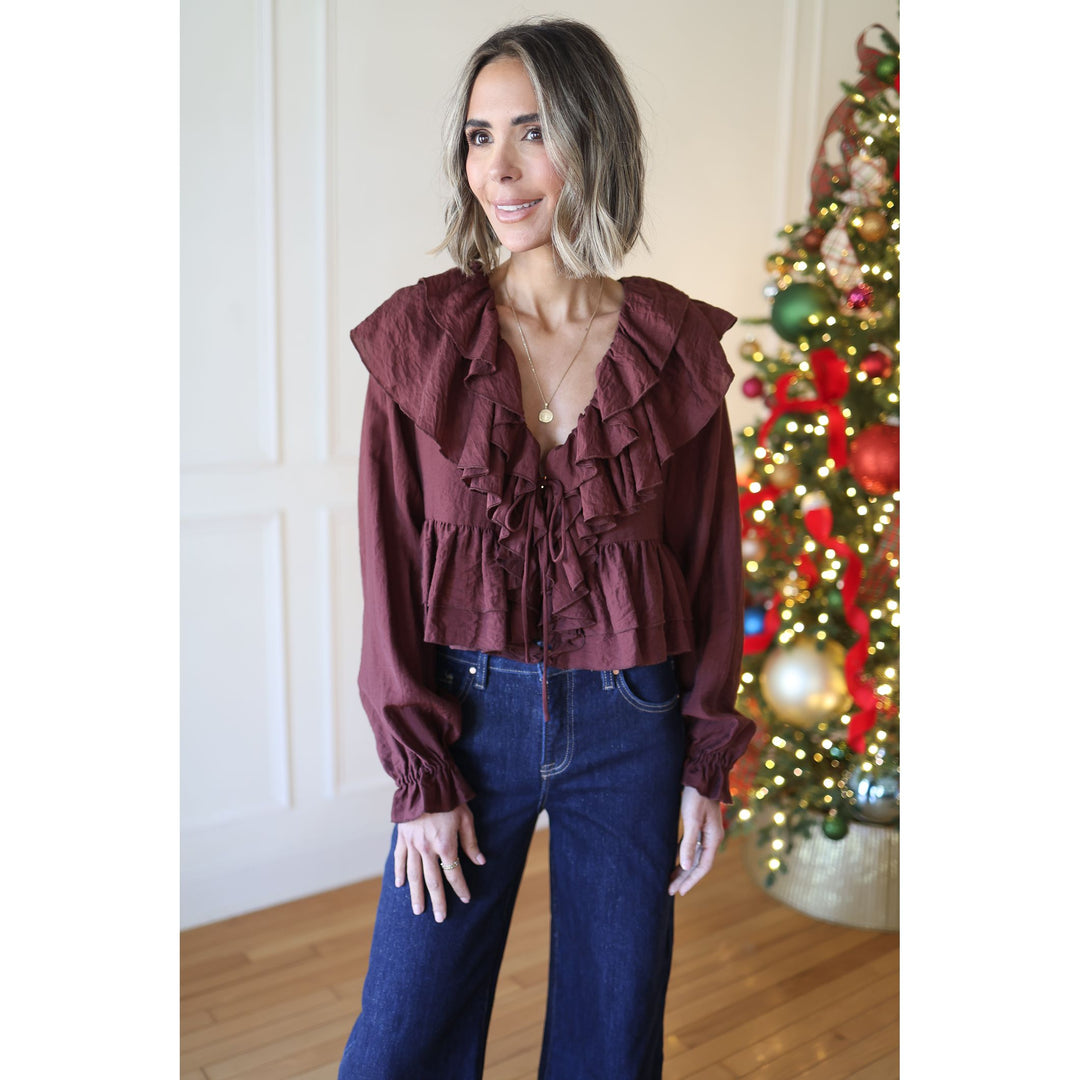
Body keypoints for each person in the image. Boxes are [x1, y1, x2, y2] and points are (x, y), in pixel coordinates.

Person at [337, 17, 755, 1080]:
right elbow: (388, 565)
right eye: (479, 137)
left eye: (532, 132)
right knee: (401, 1040)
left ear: (591, 138)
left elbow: (712, 561)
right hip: (466, 720)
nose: (500, 168)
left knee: (612, 1043)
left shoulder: (671, 351)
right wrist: (422, 772)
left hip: (633, 722)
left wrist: (705, 760)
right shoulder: (424, 344)